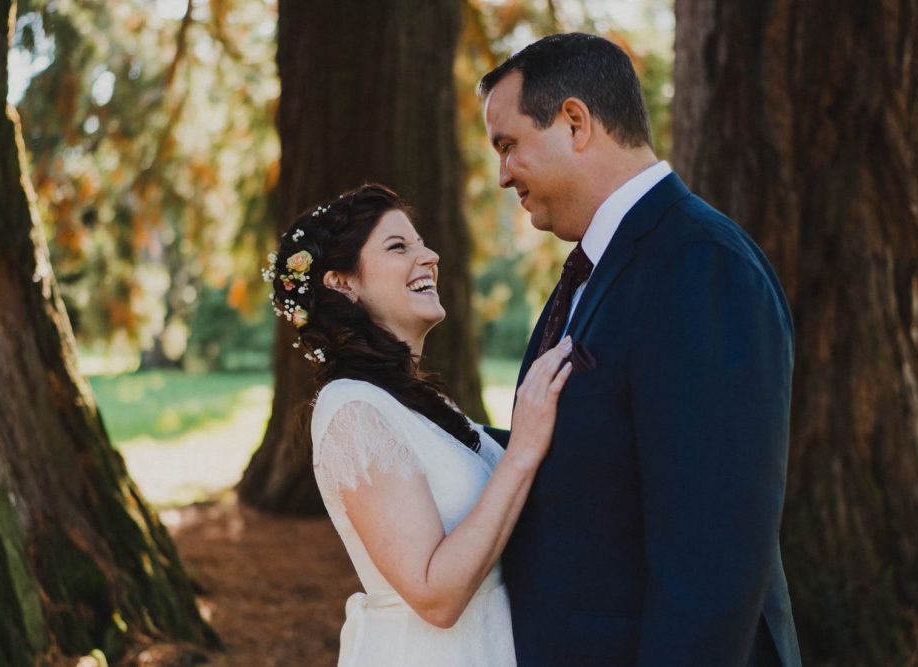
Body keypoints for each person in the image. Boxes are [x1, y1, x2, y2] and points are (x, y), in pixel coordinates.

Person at [479, 33, 802, 666]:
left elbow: (713, 549)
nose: (501, 175)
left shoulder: (699, 265)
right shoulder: (604, 264)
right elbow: (594, 459)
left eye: (509, 144)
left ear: (575, 122)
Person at [262, 183, 572, 666]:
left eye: (421, 242)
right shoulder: (352, 412)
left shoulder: (417, 404)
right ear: (343, 283)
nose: (429, 256)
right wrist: (524, 449)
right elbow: (435, 595)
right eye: (398, 246)